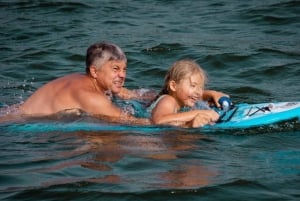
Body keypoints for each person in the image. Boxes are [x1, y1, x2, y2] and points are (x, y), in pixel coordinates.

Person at [1, 42, 225, 125]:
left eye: (125, 69)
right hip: (14, 124)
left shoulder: (96, 84)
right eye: (115, 69)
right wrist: (190, 119)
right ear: (94, 71)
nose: (122, 75)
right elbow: (141, 123)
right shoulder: (90, 96)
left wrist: (205, 93)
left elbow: (140, 96)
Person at [150, 59, 228, 128]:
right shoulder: (168, 100)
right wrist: (199, 113)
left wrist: (213, 94)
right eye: (193, 86)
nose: (198, 92)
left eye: (201, 87)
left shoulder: (181, 100)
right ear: (173, 86)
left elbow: (196, 96)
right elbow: (158, 121)